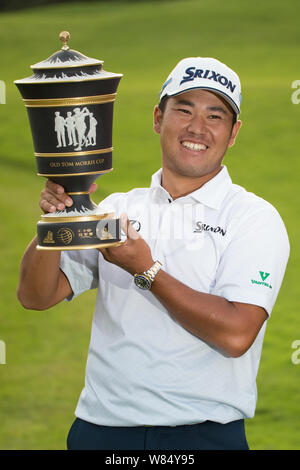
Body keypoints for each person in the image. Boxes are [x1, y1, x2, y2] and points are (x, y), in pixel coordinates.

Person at [17, 57, 290, 450]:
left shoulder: (254, 218)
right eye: (184, 110)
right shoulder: (118, 208)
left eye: (216, 115)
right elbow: (35, 296)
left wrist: (145, 269)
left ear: (233, 133)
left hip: (202, 436)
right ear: (158, 118)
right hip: (100, 430)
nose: (197, 128)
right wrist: (54, 221)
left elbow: (235, 334)